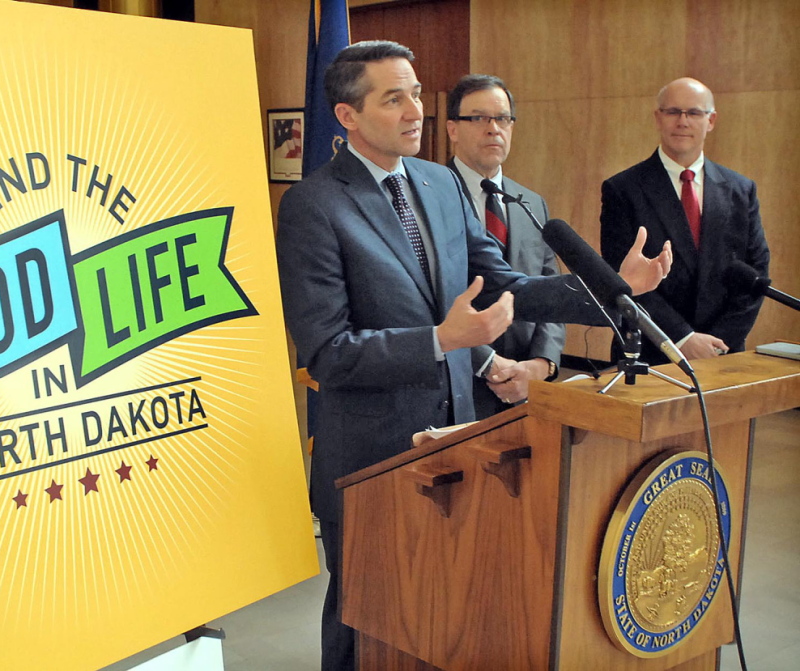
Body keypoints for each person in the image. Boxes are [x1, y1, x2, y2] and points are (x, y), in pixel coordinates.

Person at [275, 41, 671, 671]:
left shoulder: (437, 183)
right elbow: (328, 353)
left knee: (445, 615)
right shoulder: (312, 206)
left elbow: (507, 283)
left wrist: (612, 289)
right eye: (393, 98)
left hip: (459, 446)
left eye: (415, 95)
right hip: (374, 461)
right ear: (347, 117)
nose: (414, 112)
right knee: (366, 623)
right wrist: (441, 341)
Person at [600, 77, 770, 365]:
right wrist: (683, 337)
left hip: (724, 354)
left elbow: (755, 272)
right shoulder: (622, 189)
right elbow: (621, 276)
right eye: (673, 112)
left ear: (711, 120)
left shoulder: (741, 190)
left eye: (693, 113)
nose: (683, 121)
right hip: (652, 352)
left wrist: (720, 343)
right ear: (658, 118)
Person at [445, 74, 564, 419]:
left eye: (502, 118)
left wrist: (542, 364)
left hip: (527, 388)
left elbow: (548, 286)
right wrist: (490, 365)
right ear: (453, 128)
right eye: (479, 118)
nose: (493, 128)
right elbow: (427, 298)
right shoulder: (428, 197)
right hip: (456, 384)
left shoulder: (531, 202)